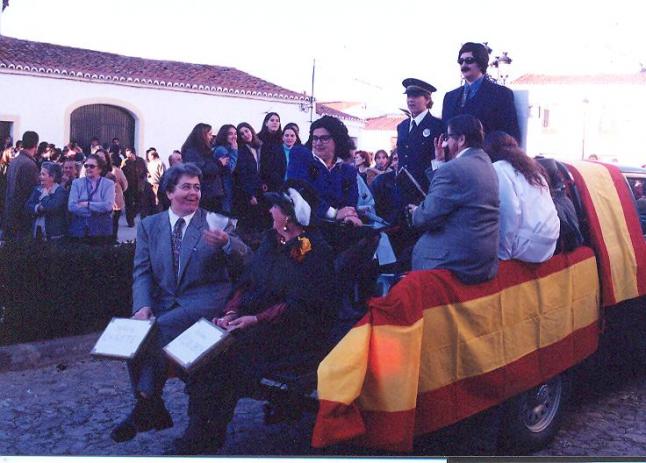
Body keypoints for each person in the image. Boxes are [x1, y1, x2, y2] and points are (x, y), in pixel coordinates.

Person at [165, 179, 336, 455]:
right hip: (255, 321)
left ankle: (204, 434)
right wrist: (231, 312)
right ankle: (202, 429)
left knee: (224, 357)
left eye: (275, 207)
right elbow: (247, 282)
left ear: (289, 216)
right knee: (206, 351)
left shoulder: (311, 249)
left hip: (289, 331)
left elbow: (302, 304)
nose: (269, 211)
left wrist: (254, 320)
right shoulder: (272, 241)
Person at [110, 163, 251, 450]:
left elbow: (247, 259)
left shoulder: (215, 221)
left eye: (197, 187)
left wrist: (227, 243)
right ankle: (151, 407)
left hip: (205, 302)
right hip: (167, 304)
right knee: (135, 334)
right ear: (169, 192)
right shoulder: (150, 225)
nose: (193, 193)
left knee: (159, 328)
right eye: (186, 187)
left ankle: (146, 403)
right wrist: (141, 307)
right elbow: (142, 272)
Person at [408, 114, 500, 284]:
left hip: (459, 259)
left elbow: (425, 218)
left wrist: (415, 212)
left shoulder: (454, 169)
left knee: (406, 256)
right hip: (482, 255)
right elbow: (453, 190)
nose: (445, 143)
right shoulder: (486, 163)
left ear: (461, 139)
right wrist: (440, 162)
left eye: (448, 137)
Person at [484, 132, 559, 262]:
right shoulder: (532, 169)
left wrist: (503, 254)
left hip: (530, 246)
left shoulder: (498, 168)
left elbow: (509, 211)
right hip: (551, 242)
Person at [287, 115, 361, 226]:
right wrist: (333, 213)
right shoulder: (300, 156)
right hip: (304, 227)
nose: (318, 143)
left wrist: (349, 216)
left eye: (324, 138)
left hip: (337, 228)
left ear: (337, 140)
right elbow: (300, 189)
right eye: (315, 138)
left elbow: (350, 202)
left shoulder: (348, 170)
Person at [442, 42, 521, 143]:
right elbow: (444, 134)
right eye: (461, 61)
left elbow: (510, 136)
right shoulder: (450, 97)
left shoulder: (501, 94)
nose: (464, 65)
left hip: (485, 152)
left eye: (469, 60)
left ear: (481, 63)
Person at [396, 78, 446, 192]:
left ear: (427, 99)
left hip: (426, 188)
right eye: (408, 96)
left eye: (415, 96)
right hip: (402, 188)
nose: (410, 100)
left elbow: (440, 160)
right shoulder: (402, 126)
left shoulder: (438, 126)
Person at [67, 154, 115, 245]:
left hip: (101, 231)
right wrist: (97, 212)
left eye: (92, 166)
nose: (88, 168)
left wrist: (87, 204)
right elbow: (72, 206)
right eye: (86, 166)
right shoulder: (76, 183)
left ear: (99, 169)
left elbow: (108, 205)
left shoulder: (109, 184)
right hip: (80, 231)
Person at [2, 130, 40, 240]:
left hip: (10, 211)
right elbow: (31, 191)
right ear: (36, 145)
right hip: (21, 215)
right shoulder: (29, 164)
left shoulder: (15, 161)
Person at [181, 123, 225, 213]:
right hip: (206, 193)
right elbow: (200, 169)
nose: (211, 137)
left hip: (211, 192)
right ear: (202, 136)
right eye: (209, 134)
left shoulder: (203, 150)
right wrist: (219, 163)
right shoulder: (192, 152)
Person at [234, 122, 265, 233]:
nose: (245, 135)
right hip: (249, 192)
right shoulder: (241, 150)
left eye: (246, 131)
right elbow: (243, 175)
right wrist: (250, 195)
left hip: (259, 189)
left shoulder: (258, 147)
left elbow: (259, 169)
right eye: (242, 134)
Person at [25, 161, 68, 240]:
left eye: (43, 174)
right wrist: (38, 208)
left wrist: (45, 197)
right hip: (37, 233)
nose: (40, 177)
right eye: (40, 174)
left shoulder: (60, 191)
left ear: (52, 177)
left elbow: (52, 207)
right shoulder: (38, 189)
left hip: (54, 236)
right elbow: (28, 205)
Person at [97, 148, 128, 242]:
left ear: (107, 159)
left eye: (102, 158)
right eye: (97, 157)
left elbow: (124, 185)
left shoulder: (115, 171)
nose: (99, 160)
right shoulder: (90, 171)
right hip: (98, 204)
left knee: (113, 225)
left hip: (114, 203)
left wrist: (117, 191)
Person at [212, 124, 239, 215]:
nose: (234, 136)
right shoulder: (221, 150)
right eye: (230, 134)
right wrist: (234, 151)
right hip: (224, 188)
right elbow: (230, 167)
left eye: (235, 133)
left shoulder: (227, 148)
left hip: (228, 187)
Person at [122, 147, 147, 227]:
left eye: (129, 155)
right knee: (129, 204)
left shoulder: (140, 161)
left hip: (139, 186)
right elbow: (122, 173)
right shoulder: (125, 162)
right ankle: (130, 221)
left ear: (133, 154)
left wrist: (143, 178)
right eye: (126, 155)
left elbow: (145, 171)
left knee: (139, 203)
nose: (128, 157)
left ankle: (133, 214)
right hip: (129, 186)